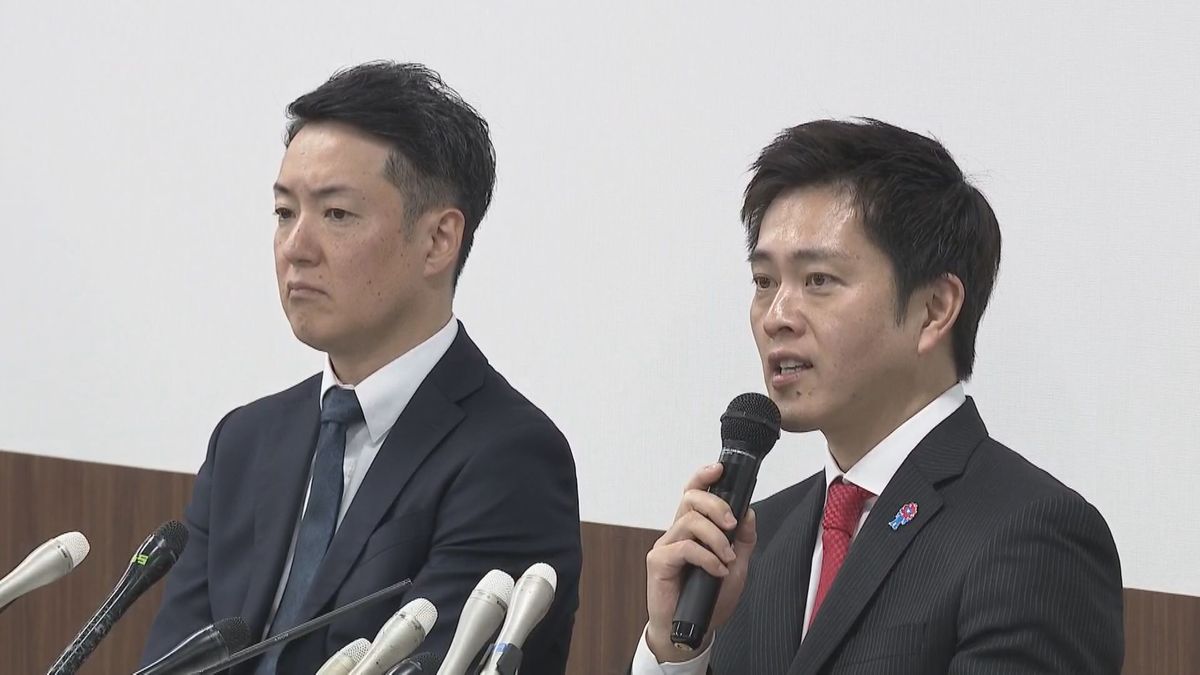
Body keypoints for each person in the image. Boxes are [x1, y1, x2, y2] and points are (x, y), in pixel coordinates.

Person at [632, 119, 1123, 674]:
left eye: (818, 280)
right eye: (765, 281)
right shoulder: (754, 541)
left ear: (934, 309)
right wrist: (678, 652)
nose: (776, 317)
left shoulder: (1034, 536)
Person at [140, 62, 581, 675]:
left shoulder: (509, 458)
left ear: (438, 240)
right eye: (284, 212)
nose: (296, 247)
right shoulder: (244, 442)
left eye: (336, 215)